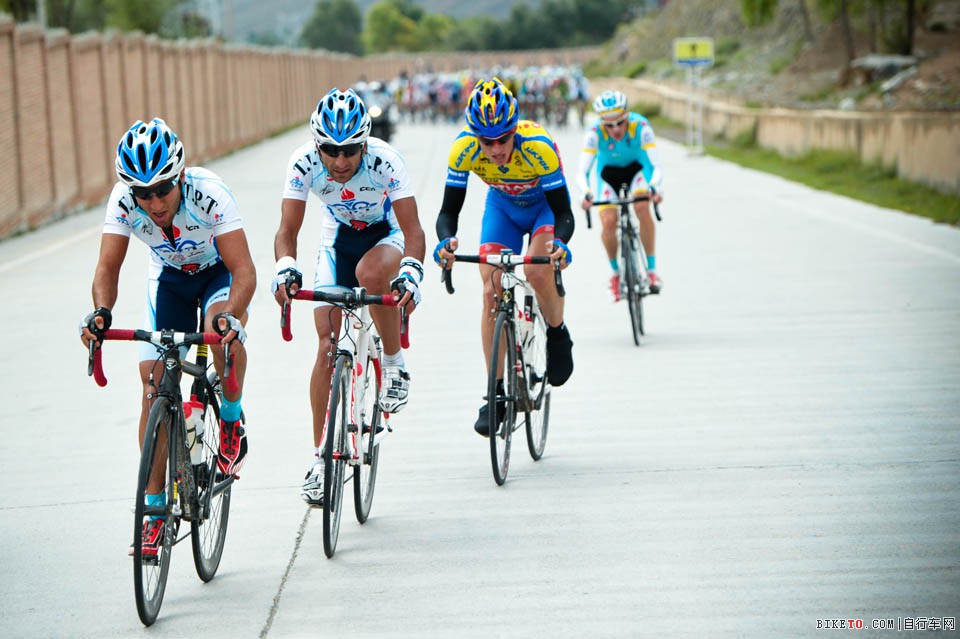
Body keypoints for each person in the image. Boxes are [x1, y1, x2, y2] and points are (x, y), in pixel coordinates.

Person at [79, 117, 256, 554]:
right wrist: (101, 313)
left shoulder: (209, 194)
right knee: (154, 385)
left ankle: (230, 418)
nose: (154, 202)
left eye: (162, 189)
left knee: (219, 335)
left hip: (217, 276)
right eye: (144, 193)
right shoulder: (124, 201)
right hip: (170, 281)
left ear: (179, 176)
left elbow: (244, 271)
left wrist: (230, 317)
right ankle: (155, 511)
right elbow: (107, 268)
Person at [273, 88, 426, 505]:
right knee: (327, 344)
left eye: (350, 151)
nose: (340, 162)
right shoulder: (303, 162)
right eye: (330, 150)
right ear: (316, 145)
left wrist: (411, 272)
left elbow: (413, 231)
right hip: (338, 238)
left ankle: (393, 363)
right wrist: (285, 266)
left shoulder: (386, 161)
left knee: (371, 274)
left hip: (386, 234)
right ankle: (321, 459)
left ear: (365, 144)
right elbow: (287, 231)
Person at [434, 77, 575, 437]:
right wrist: (446, 241)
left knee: (537, 271)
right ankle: (494, 393)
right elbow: (449, 210)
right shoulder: (463, 149)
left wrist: (560, 243)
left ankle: (557, 333)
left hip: (543, 208)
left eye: (503, 139)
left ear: (514, 130)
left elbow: (563, 212)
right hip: (503, 208)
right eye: (487, 141)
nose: (495, 149)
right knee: (491, 289)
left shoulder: (538, 146)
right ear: (475, 137)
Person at [577, 90, 664, 301]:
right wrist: (585, 193)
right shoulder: (594, 132)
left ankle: (652, 271)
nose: (615, 129)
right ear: (601, 123)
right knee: (608, 222)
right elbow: (582, 171)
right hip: (609, 175)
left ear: (627, 116)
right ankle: (615, 274)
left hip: (637, 170)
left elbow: (655, 165)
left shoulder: (641, 126)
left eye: (620, 122)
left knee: (642, 208)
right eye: (609, 125)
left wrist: (655, 187)